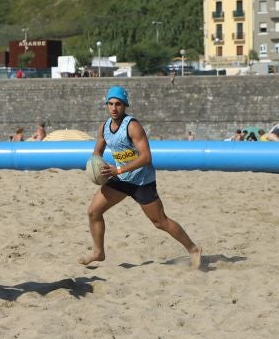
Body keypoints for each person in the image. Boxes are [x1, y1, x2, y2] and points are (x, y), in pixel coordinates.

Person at [79, 85, 202, 270]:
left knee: (160, 222)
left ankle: (193, 249)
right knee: (93, 212)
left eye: (118, 104)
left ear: (125, 105)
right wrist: (95, 166)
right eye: (110, 104)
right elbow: (98, 151)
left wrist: (117, 170)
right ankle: (98, 252)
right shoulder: (104, 127)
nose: (114, 108)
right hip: (119, 180)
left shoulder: (133, 126)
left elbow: (146, 157)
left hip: (141, 181)